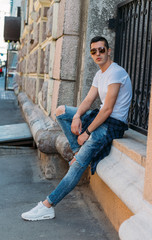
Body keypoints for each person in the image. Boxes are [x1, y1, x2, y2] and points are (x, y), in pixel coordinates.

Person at [21, 36, 132, 221]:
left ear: (108, 51)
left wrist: (86, 134)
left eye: (101, 50)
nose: (98, 54)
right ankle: (77, 152)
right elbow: (88, 100)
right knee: (61, 111)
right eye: (93, 51)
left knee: (78, 165)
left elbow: (107, 109)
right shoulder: (100, 74)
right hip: (102, 119)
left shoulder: (116, 73)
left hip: (113, 124)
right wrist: (77, 116)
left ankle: (48, 205)